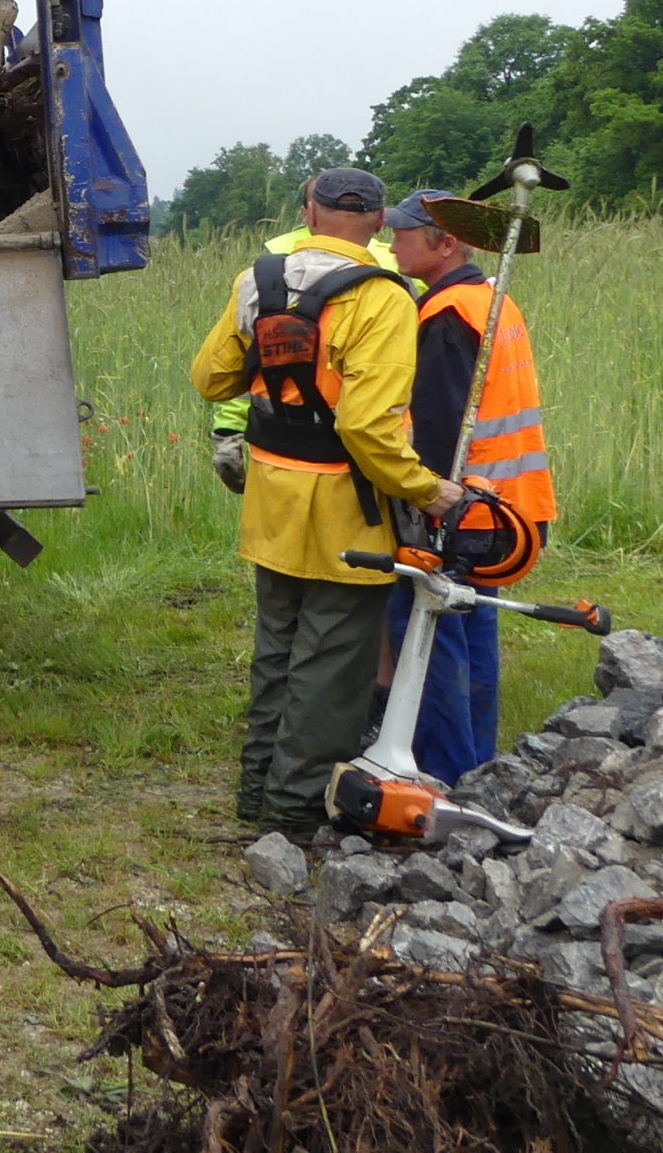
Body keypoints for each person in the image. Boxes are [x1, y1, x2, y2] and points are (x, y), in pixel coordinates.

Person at [191, 167, 463, 837]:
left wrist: (273, 359)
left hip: (272, 503)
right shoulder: (383, 297)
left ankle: (256, 796)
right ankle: (290, 818)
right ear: (377, 224)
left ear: (309, 211)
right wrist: (432, 490)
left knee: (277, 653)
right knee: (332, 670)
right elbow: (368, 429)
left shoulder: (258, 281)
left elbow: (210, 378)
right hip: (350, 513)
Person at [371, 188, 559, 784]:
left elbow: (441, 429)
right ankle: (479, 773)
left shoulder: (446, 315)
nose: (392, 242)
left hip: (464, 511)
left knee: (429, 641)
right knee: (474, 638)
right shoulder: (492, 300)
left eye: (403, 233)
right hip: (505, 508)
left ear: (444, 244)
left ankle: (441, 779)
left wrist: (423, 499)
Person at [208, 180, 405, 494]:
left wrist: (228, 430)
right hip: (355, 478)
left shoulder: (263, 269)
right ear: (381, 220)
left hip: (272, 469)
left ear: (309, 213)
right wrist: (422, 488)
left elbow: (217, 377)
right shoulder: (397, 268)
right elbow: (369, 419)